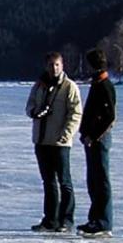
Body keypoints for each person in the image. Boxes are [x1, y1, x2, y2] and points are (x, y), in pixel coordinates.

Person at [25, 51, 83, 232]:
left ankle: (66, 220)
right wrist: (35, 112)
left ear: (62, 66)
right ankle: (50, 219)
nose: (54, 68)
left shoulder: (69, 87)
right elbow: (29, 105)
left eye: (57, 64)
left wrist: (66, 134)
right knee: (48, 182)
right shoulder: (39, 86)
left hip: (60, 142)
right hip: (42, 141)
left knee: (64, 182)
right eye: (51, 65)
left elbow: (76, 113)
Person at [78, 48, 117, 237]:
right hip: (92, 140)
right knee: (93, 181)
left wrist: (92, 135)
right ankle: (95, 219)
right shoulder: (97, 83)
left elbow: (109, 116)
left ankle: (103, 221)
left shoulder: (104, 85)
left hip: (99, 140)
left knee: (101, 181)